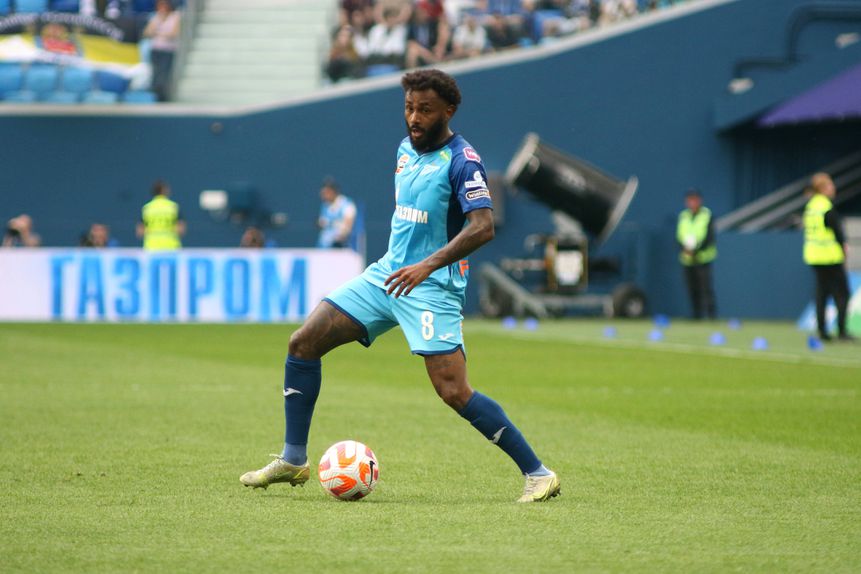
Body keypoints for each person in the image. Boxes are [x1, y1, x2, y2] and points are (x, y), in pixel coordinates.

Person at [240, 69, 560, 503]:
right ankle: (294, 458)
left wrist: (426, 266)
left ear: (449, 111)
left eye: (425, 109)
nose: (414, 117)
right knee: (303, 342)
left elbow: (482, 227)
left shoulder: (463, 161)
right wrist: (406, 265)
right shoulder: (405, 149)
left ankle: (539, 474)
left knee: (453, 391)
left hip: (432, 286)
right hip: (387, 276)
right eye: (409, 107)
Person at [803, 173, 855, 342]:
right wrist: (843, 246)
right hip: (830, 256)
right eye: (830, 185)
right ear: (823, 188)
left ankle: (822, 330)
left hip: (814, 255)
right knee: (842, 293)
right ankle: (842, 330)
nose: (833, 188)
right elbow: (837, 231)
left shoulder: (811, 206)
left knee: (822, 293)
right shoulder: (826, 207)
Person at [676, 188, 717, 320]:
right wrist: (684, 249)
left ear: (699, 200)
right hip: (687, 259)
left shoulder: (707, 214)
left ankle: (711, 316)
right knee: (692, 289)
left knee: (706, 288)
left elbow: (710, 237)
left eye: (694, 199)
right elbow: (679, 236)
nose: (692, 202)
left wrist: (696, 250)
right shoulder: (683, 216)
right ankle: (696, 316)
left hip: (703, 259)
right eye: (690, 200)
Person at [143, 0, 181, 102]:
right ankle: (154, 96)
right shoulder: (156, 17)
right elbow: (147, 32)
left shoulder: (175, 16)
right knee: (155, 73)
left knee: (164, 75)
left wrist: (158, 33)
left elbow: (173, 34)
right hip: (156, 49)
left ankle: (163, 96)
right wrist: (160, 30)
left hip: (168, 50)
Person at [136, 180, 185, 250]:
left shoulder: (147, 208)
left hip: (151, 247)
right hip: (171, 247)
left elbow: (140, 232)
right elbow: (181, 230)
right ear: (164, 190)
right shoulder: (173, 207)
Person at [317, 179, 357, 248]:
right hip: (323, 246)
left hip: (340, 247)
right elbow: (322, 223)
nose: (323, 195)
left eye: (325, 193)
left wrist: (339, 239)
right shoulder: (325, 205)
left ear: (332, 192)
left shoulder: (347, 204)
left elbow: (348, 226)